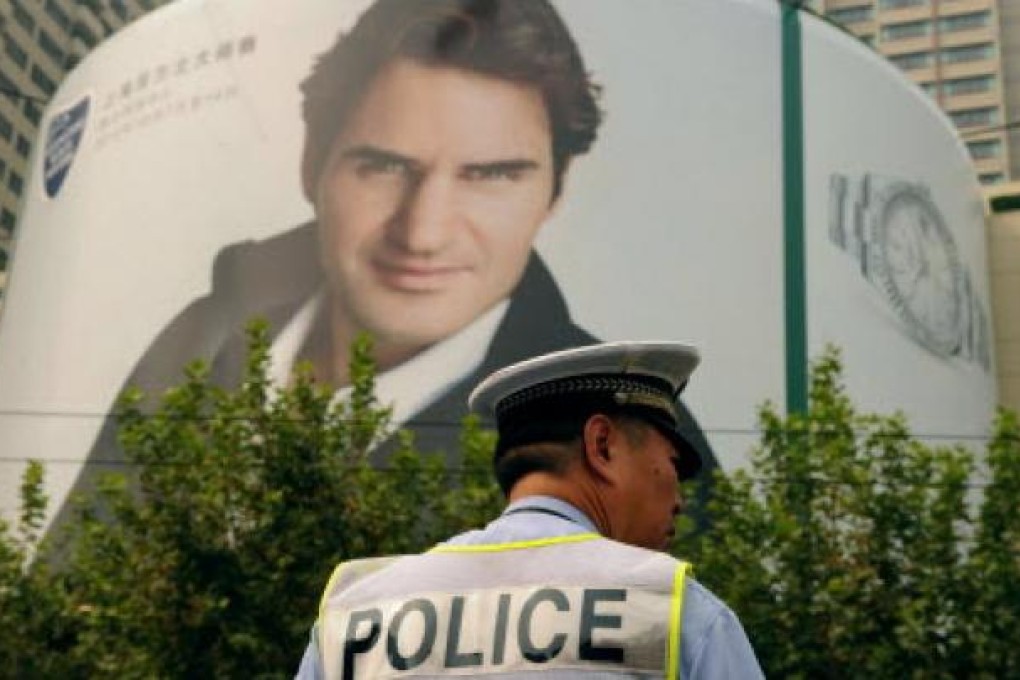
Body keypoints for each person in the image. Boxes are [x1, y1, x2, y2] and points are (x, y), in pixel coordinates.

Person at [58, 0, 718, 530]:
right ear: (311, 164)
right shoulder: (199, 339)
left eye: (489, 175)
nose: (423, 232)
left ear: (555, 192)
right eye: (383, 166)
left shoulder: (625, 424)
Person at [296, 340, 763, 679]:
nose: (680, 496)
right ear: (602, 445)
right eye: (672, 464)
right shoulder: (672, 612)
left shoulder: (355, 618)